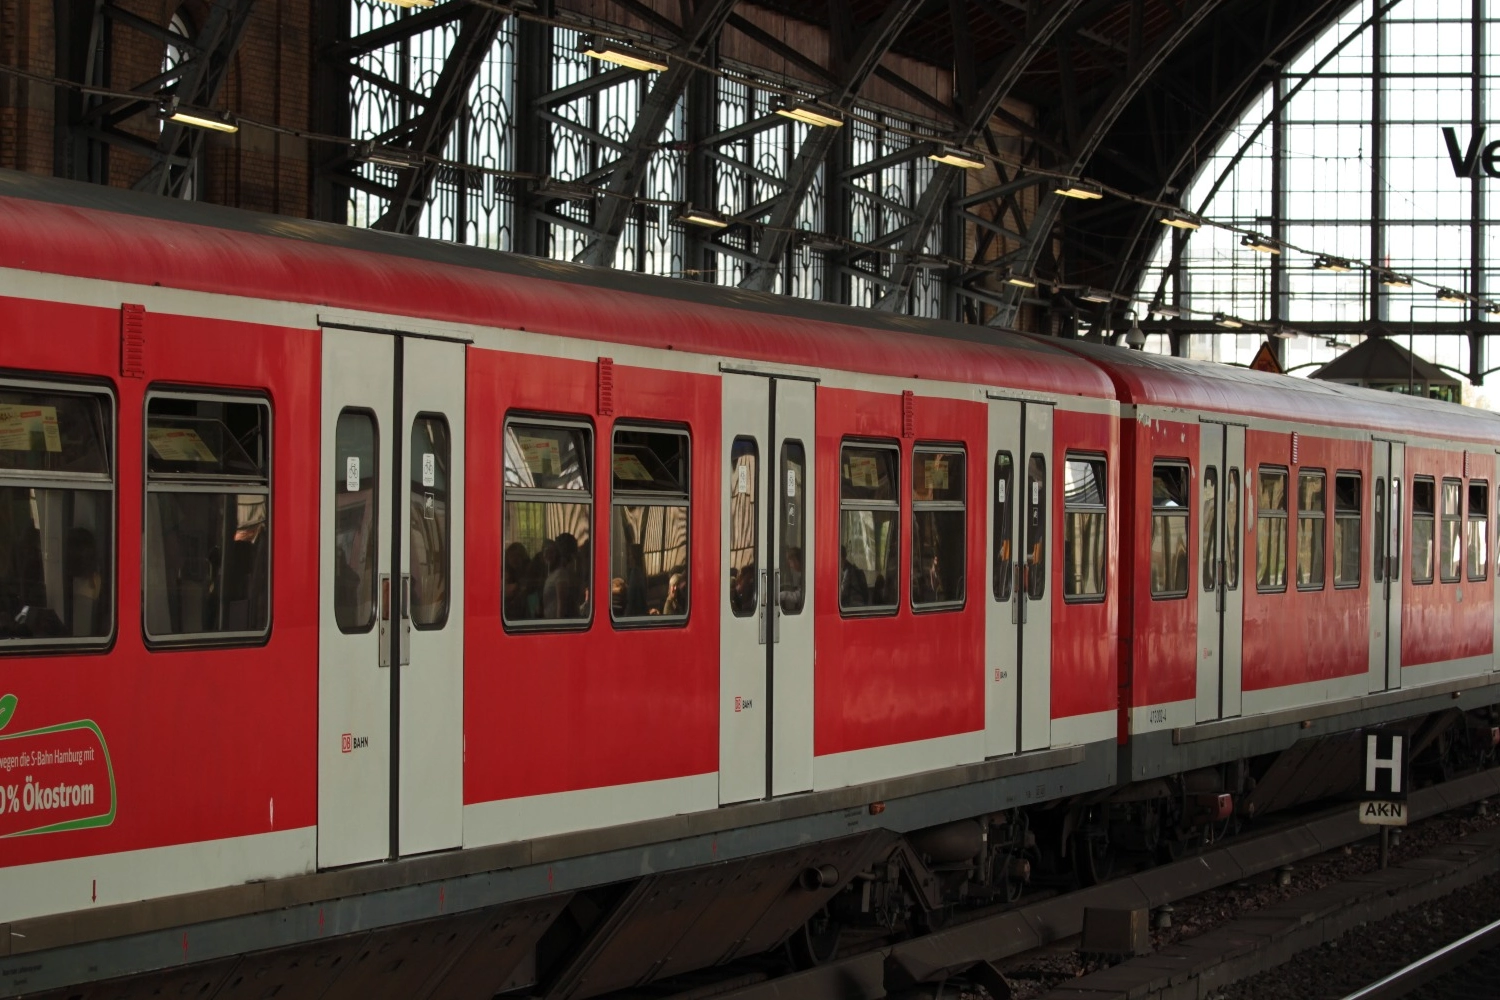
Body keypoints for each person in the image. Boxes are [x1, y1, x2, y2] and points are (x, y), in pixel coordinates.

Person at [779, 546, 804, 612]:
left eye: (790, 562)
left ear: (796, 560)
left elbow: (798, 597)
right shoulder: (801, 574)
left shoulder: (806, 575)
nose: (790, 565)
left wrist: (781, 595)